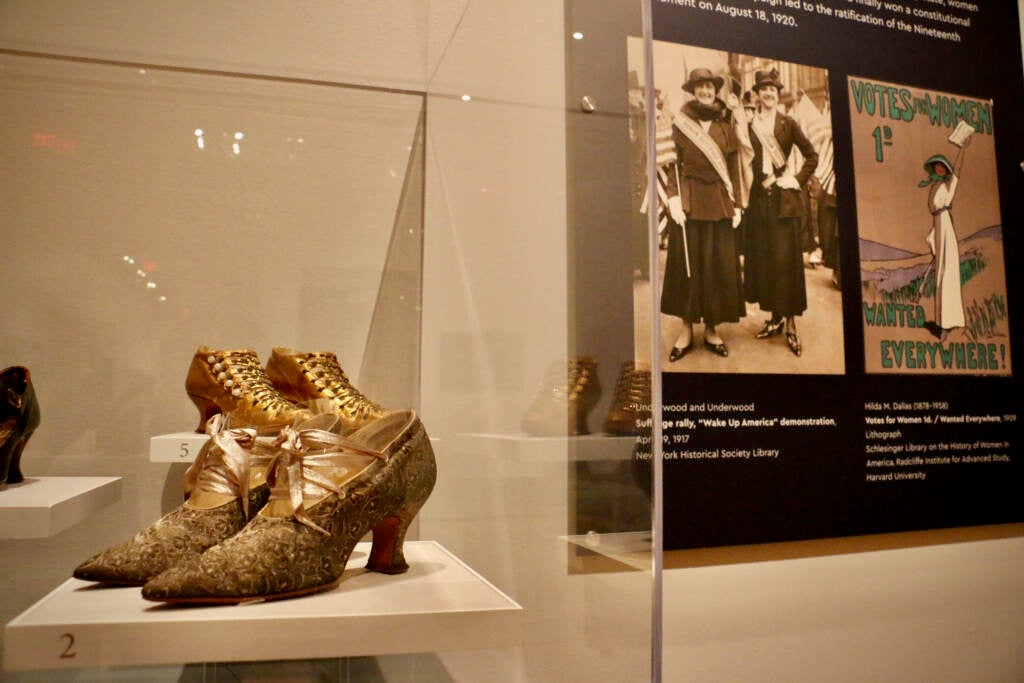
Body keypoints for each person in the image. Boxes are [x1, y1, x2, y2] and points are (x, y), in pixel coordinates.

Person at [661, 67, 745, 361]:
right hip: (691, 203)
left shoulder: (724, 126)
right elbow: (672, 163)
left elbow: (734, 168)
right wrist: (672, 197)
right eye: (700, 88)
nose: (706, 92)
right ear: (693, 91)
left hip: (720, 202)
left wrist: (737, 204)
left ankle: (711, 328)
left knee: (716, 267)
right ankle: (686, 330)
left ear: (715, 90)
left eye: (710, 87)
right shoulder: (680, 124)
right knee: (688, 268)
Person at [743, 68, 818, 357]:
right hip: (760, 201)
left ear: (777, 94)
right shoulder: (749, 126)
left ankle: (790, 322)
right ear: (758, 95)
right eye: (763, 89)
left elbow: (812, 155)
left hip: (783, 201)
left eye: (772, 89)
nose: (768, 93)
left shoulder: (788, 123)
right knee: (764, 259)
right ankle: (774, 316)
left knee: (785, 261)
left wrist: (796, 180)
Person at [920, 136, 970, 339]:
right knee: (940, 273)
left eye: (942, 167)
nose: (940, 170)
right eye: (937, 167)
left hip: (946, 227)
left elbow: (958, 171)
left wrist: (962, 150)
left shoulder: (948, 186)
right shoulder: (934, 186)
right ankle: (942, 323)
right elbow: (934, 213)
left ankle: (947, 324)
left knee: (947, 272)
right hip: (939, 226)